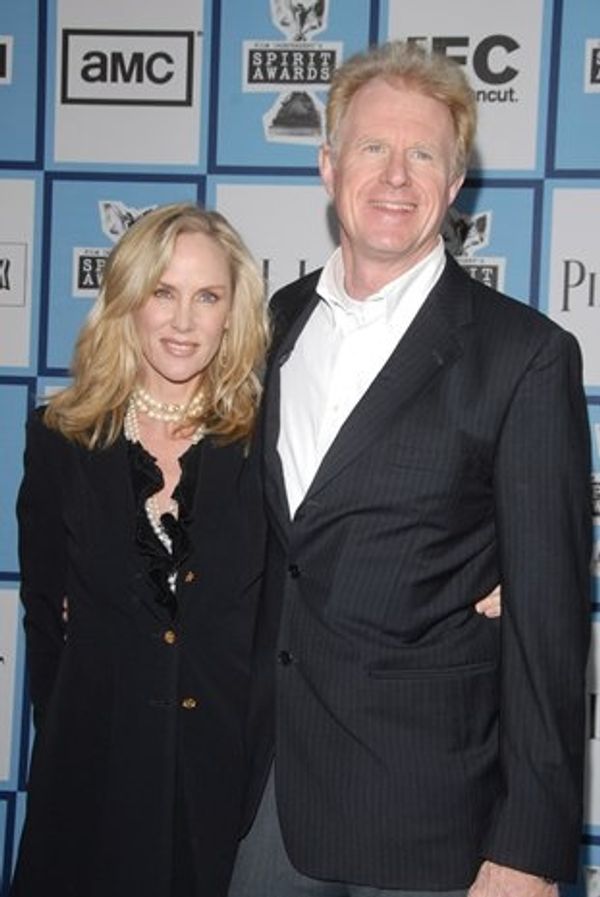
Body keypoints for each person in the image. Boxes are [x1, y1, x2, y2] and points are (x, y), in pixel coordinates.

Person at [229, 41, 592, 897]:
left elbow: (548, 627)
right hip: (271, 803)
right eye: (373, 147)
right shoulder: (276, 322)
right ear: (328, 166)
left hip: (434, 818)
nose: (396, 175)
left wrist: (530, 846)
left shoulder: (524, 354)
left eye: (423, 154)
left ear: (455, 181)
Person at [11, 203, 269, 897]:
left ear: (232, 312)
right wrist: (66, 740)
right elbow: (45, 617)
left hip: (225, 792)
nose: (184, 321)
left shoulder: (269, 442)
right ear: (128, 298)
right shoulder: (61, 437)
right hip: (91, 782)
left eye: (207, 296)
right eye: (164, 292)